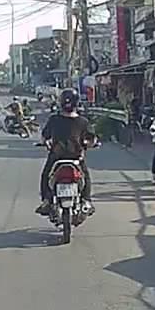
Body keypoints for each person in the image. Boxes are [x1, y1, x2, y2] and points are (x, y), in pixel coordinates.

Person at [37, 88, 96, 216]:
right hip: (76, 157)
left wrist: (45, 142)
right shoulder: (83, 121)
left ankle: (46, 201)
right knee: (85, 176)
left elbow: (44, 136)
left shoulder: (54, 119)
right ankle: (86, 201)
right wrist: (89, 144)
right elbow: (91, 139)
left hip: (57, 156)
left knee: (46, 175)